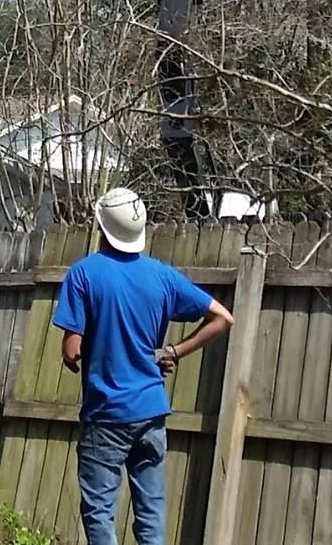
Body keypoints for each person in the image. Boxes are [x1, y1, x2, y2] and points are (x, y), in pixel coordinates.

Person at [52, 188, 234, 545]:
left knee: (100, 514)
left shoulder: (83, 274)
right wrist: (174, 351)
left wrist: (83, 348)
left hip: (106, 413)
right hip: (151, 413)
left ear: (101, 226)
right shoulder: (161, 276)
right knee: (151, 514)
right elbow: (223, 318)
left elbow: (72, 351)